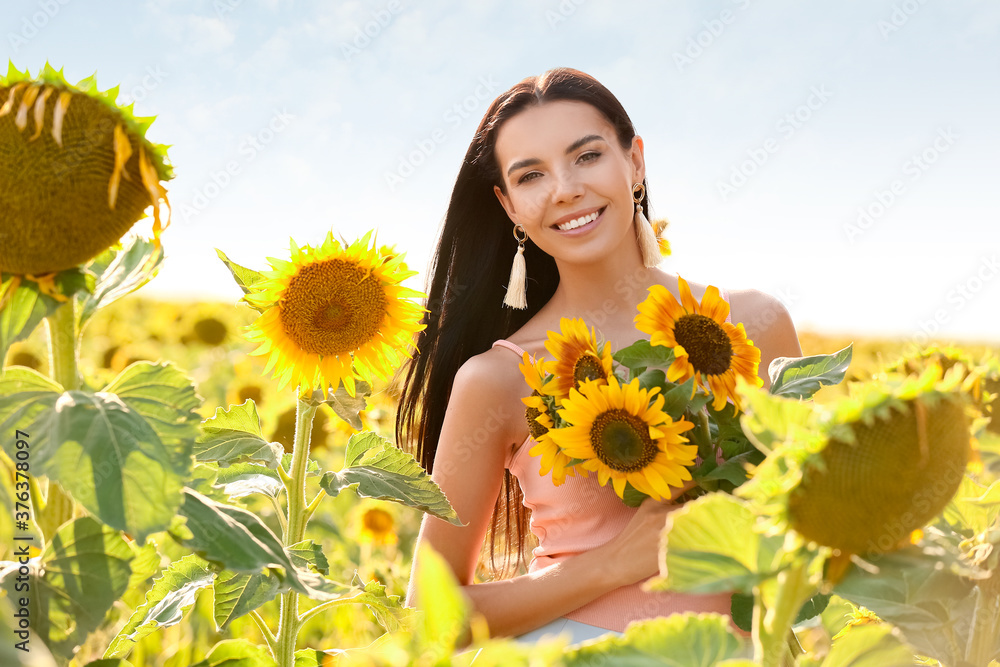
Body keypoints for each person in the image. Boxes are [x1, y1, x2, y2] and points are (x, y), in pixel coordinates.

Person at [394, 67, 803, 644]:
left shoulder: (756, 325)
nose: (564, 189)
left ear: (634, 162)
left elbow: (819, 523)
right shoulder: (499, 376)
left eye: (586, 157)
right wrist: (613, 562)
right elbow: (431, 619)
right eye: (531, 175)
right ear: (508, 205)